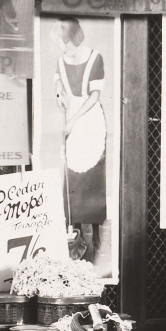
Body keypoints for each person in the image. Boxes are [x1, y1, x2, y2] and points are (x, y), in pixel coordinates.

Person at [54, 17, 107, 260]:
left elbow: (94, 96)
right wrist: (59, 97)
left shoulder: (95, 58)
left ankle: (94, 241)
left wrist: (73, 120)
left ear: (74, 39)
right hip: (70, 119)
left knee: (92, 179)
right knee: (72, 181)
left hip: (90, 120)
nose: (61, 47)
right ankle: (74, 239)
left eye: (64, 42)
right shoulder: (60, 61)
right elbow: (59, 86)